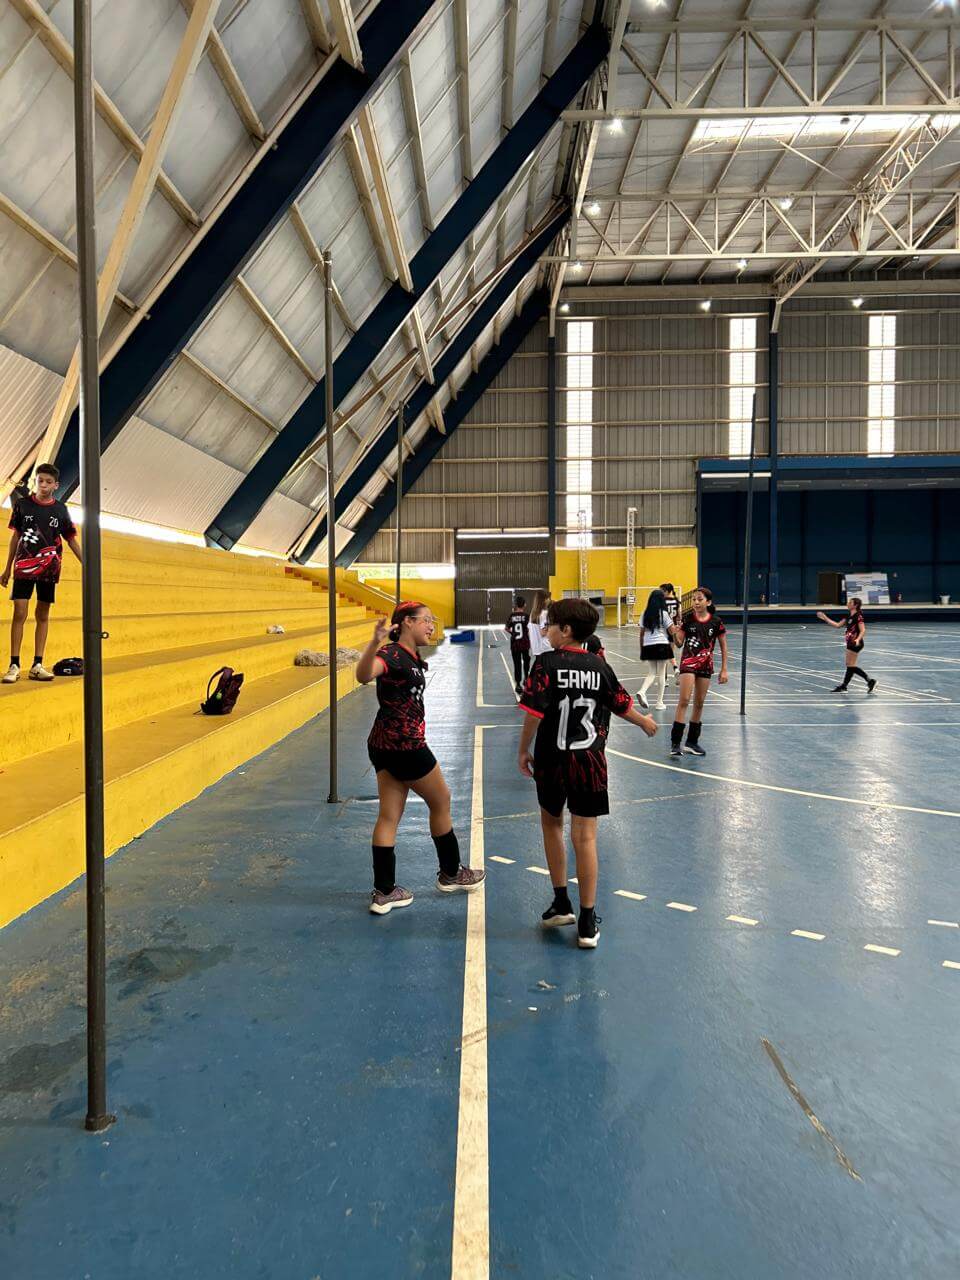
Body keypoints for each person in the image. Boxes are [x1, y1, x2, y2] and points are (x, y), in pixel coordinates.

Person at [517, 598, 657, 949]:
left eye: (550, 625)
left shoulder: (545, 664)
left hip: (552, 759)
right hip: (590, 762)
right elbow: (621, 704)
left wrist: (523, 749)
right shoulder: (599, 665)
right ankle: (588, 920)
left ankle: (561, 901)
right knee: (586, 838)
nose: (546, 630)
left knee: (552, 824)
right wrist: (644, 722)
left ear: (565, 630)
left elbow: (533, 713)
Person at [356, 602, 485, 915]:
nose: (431, 626)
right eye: (426, 620)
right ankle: (451, 872)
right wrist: (374, 642)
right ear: (406, 622)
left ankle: (385, 892)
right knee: (441, 799)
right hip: (406, 746)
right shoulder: (391, 654)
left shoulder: (411, 656)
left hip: (383, 744)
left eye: (432, 620)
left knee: (389, 815)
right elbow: (364, 675)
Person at [2, 463, 81, 684]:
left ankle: (37, 664)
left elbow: (71, 539)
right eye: (40, 481)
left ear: (56, 485)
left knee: (42, 615)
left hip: (49, 568)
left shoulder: (61, 510)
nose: (43, 485)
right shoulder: (22, 505)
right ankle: (14, 664)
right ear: (35, 482)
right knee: (19, 612)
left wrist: (87, 563)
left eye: (48, 482)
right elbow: (15, 538)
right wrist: (7, 568)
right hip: (23, 567)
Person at [669, 586, 728, 758]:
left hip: (706, 665)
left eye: (700, 599)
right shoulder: (688, 620)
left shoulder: (716, 622)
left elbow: (724, 647)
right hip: (688, 663)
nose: (696, 602)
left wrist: (724, 669)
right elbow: (679, 643)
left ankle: (691, 742)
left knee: (699, 703)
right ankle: (675, 743)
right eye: (694, 599)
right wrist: (674, 633)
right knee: (684, 700)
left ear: (708, 602)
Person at [817, 598, 877, 694]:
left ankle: (869, 681)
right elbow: (837, 625)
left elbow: (863, 630)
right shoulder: (848, 616)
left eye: (850, 602)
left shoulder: (858, 616)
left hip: (856, 643)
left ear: (855, 605)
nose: (848, 604)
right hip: (850, 643)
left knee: (850, 665)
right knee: (850, 666)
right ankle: (846, 686)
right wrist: (825, 618)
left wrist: (858, 639)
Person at [635, 587, 673, 710]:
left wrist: (642, 649)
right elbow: (671, 631)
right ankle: (659, 703)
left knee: (652, 672)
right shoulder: (664, 614)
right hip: (662, 644)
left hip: (648, 645)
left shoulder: (644, 614)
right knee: (661, 673)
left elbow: (641, 634)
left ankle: (642, 691)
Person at [504, 594, 531, 694]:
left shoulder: (512, 616)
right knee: (526, 661)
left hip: (515, 643)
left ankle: (518, 684)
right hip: (524, 643)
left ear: (516, 605)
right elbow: (529, 629)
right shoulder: (527, 616)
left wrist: (513, 633)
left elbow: (506, 628)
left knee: (517, 663)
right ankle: (526, 679)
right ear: (524, 605)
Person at [660, 583, 681, 682]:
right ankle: (675, 668)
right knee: (670, 652)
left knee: (663, 655)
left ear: (667, 591)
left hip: (664, 629)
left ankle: (665, 679)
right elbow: (679, 616)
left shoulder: (662, 601)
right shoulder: (676, 601)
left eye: (662, 591)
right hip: (673, 629)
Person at [527, 589, 551, 659]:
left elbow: (529, 632)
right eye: (548, 598)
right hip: (546, 648)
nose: (549, 600)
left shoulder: (532, 614)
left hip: (536, 648)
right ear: (544, 600)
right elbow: (543, 633)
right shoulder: (544, 613)